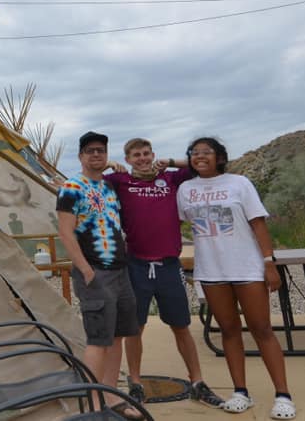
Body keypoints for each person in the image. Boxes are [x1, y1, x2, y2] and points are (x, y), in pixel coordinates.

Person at [176, 137, 295, 420]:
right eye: (194, 153)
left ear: (220, 157)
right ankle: (240, 391)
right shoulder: (185, 189)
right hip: (211, 269)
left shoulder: (239, 183)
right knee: (228, 330)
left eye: (207, 152)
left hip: (245, 266)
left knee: (261, 329)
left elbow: (258, 223)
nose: (200, 156)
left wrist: (269, 263)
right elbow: (176, 223)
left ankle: (283, 395)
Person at [104, 138, 224, 408]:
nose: (143, 158)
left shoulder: (169, 179)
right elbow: (88, 179)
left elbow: (199, 167)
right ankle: (135, 382)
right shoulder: (120, 181)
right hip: (136, 264)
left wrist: (169, 162)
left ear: (153, 155)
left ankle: (197, 382)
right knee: (136, 328)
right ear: (128, 158)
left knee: (181, 325)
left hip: (169, 264)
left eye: (146, 154)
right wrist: (110, 166)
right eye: (136, 155)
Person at [56, 131, 143, 420]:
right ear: (81, 155)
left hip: (120, 270)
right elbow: (65, 232)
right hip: (95, 272)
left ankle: (112, 397)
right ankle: (93, 404)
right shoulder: (71, 187)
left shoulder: (108, 188)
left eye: (101, 151)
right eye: (90, 151)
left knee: (117, 336)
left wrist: (114, 166)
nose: (96, 155)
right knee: (98, 340)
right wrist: (85, 269)